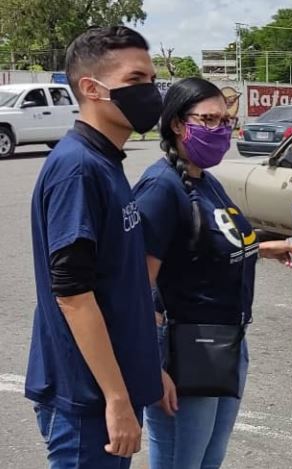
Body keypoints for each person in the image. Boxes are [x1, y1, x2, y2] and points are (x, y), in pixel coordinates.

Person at [132, 77, 292, 469]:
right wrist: (152, 368)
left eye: (226, 121)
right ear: (176, 123)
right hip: (184, 351)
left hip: (225, 342)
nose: (220, 130)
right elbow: (135, 287)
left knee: (209, 460)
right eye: (208, 120)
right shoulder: (160, 187)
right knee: (180, 462)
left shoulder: (207, 181)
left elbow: (211, 248)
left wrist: (270, 249)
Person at [26, 26, 164, 468]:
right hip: (88, 400)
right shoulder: (78, 170)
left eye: (152, 80)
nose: (152, 93)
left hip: (107, 387)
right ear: (91, 87)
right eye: (136, 80)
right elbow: (71, 294)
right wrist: (117, 398)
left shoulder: (104, 161)